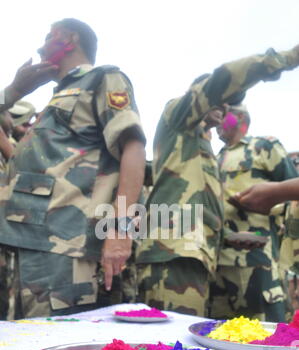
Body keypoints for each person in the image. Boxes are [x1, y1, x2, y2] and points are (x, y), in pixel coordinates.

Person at [136, 44, 299, 317]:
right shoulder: (177, 118)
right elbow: (222, 79)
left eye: (229, 104)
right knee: (167, 349)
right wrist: (287, 58)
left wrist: (232, 237)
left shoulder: (203, 151)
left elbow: (197, 206)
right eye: (221, 98)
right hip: (173, 254)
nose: (224, 106)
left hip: (198, 257)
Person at [0, 18, 146, 320]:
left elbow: (133, 148)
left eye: (48, 36)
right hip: (29, 241)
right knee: (25, 345)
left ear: (70, 38)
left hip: (66, 244)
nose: (40, 46)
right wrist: (13, 91)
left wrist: (121, 230)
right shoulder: (50, 105)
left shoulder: (103, 79)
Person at [208, 104, 298, 322]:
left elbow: (292, 196)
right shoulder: (214, 158)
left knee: (266, 334)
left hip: (257, 261)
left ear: (239, 117)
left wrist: (268, 206)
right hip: (219, 262)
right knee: (221, 335)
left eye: (225, 114)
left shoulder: (264, 146)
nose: (219, 120)